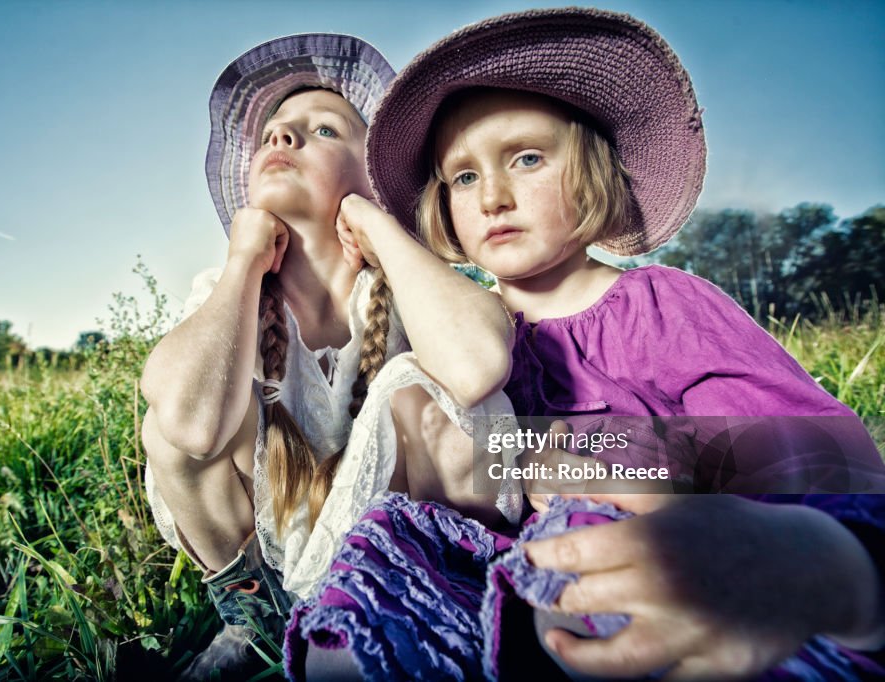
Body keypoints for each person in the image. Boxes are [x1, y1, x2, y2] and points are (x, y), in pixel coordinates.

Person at [288, 7, 885, 680]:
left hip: (655, 551)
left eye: (528, 158)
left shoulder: (661, 305)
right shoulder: (458, 329)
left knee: (591, 561)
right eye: (463, 177)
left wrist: (628, 459)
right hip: (492, 572)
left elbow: (829, 453)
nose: (493, 197)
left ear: (597, 170)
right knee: (367, 589)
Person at [140, 33, 513, 677]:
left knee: (413, 382)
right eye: (275, 134)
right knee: (167, 425)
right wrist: (243, 261)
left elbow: (479, 365)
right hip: (277, 538)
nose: (283, 140)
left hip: (394, 547)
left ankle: (429, 596)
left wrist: (381, 229)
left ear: (371, 179)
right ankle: (253, 618)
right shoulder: (232, 293)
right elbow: (189, 426)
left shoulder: (405, 284)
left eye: (323, 131)